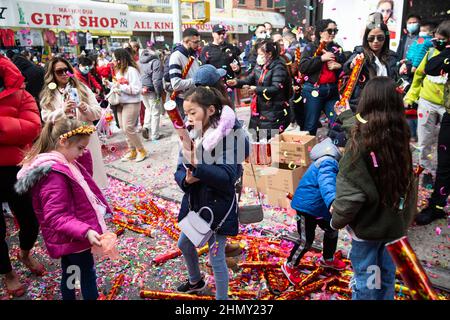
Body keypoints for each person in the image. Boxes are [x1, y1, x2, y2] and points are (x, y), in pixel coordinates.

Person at [331, 77, 416, 300]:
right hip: (393, 229)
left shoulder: (359, 147)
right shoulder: (400, 138)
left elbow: (351, 195)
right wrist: (345, 115)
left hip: (367, 230)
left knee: (368, 281)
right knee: (385, 277)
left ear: (367, 103)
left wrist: (336, 219)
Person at [15, 118, 111, 300]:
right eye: (81, 148)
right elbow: (55, 216)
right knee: (86, 276)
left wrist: (82, 150)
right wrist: (86, 231)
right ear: (63, 141)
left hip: (70, 238)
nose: (82, 153)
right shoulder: (54, 175)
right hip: (75, 237)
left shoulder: (65, 161)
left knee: (71, 272)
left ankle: (69, 296)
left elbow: (85, 174)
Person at [174, 87, 247, 300]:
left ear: (211, 110)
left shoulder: (230, 137)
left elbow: (228, 177)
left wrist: (199, 168)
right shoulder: (192, 133)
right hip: (196, 203)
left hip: (218, 208)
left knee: (216, 258)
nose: (189, 118)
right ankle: (196, 281)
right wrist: (186, 179)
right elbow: (179, 169)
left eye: (193, 112)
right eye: (186, 113)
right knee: (184, 244)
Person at [0, 54, 44, 298]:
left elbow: (32, 127)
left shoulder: (21, 94)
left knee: (29, 220)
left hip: (17, 169)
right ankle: (7, 273)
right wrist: (10, 127)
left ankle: (25, 252)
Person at [281, 137, 346, 285]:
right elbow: (327, 182)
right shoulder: (328, 161)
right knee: (306, 240)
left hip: (319, 207)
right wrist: (333, 200)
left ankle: (328, 259)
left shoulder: (332, 160)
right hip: (307, 207)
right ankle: (289, 265)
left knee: (332, 229)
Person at [39, 57, 108, 188]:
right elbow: (46, 118)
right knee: (71, 178)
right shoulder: (48, 94)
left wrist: (85, 108)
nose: (65, 74)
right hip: (64, 142)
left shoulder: (81, 88)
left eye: (67, 70)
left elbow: (98, 112)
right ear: (52, 74)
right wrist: (62, 111)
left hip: (87, 138)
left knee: (92, 176)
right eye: (59, 71)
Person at [414, 20, 450, 225]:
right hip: (444, 112)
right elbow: (431, 68)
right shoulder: (440, 55)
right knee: (444, 163)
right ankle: (437, 205)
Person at [404, 22, 447, 188]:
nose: (437, 42)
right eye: (436, 38)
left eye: (442, 40)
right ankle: (427, 171)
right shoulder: (429, 53)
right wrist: (411, 96)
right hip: (426, 103)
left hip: (446, 107)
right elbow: (418, 77)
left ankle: (444, 175)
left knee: (444, 142)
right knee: (424, 141)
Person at [227, 40, 291, 141]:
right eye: (258, 54)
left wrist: (256, 89)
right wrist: (237, 83)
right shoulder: (259, 65)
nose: (258, 57)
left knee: (270, 140)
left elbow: (276, 88)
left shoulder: (279, 67)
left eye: (261, 54)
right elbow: (250, 79)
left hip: (273, 110)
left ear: (269, 54)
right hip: (259, 109)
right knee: (257, 139)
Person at [299, 19, 346, 135]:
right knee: (311, 126)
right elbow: (303, 67)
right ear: (320, 32)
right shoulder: (310, 47)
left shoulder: (337, 48)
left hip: (332, 91)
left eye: (336, 30)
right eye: (330, 30)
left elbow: (346, 67)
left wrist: (339, 66)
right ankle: (307, 151)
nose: (333, 33)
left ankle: (334, 149)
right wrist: (320, 59)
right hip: (313, 91)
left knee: (337, 122)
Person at [343, 15, 399, 111]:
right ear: (366, 38)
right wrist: (352, 64)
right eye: (371, 38)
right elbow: (347, 67)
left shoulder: (392, 56)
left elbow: (395, 79)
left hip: (386, 103)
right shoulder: (360, 52)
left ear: (386, 38)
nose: (375, 41)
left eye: (380, 38)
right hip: (364, 104)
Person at [104, 48, 147, 162]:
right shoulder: (119, 72)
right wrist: (110, 85)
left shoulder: (132, 71)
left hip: (132, 103)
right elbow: (118, 87)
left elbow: (136, 89)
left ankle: (141, 150)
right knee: (123, 128)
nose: (112, 61)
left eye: (114, 58)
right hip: (120, 103)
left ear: (120, 59)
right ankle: (132, 150)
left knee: (128, 127)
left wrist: (120, 87)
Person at [199, 24, 241, 106]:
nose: (222, 35)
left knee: (230, 112)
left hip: (229, 87)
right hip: (213, 89)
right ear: (213, 34)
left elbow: (238, 67)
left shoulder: (231, 47)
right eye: (219, 33)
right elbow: (203, 70)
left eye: (223, 33)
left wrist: (237, 69)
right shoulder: (206, 49)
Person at [169, 28, 201, 118]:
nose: (198, 45)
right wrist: (197, 80)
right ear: (187, 41)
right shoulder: (176, 56)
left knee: (198, 128)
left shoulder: (193, 54)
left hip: (196, 98)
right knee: (189, 129)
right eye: (195, 42)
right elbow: (176, 84)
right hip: (184, 102)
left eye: (199, 42)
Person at [140, 48, 163, 141]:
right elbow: (156, 80)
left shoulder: (140, 61)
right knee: (156, 112)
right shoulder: (155, 62)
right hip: (151, 89)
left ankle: (146, 127)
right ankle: (155, 135)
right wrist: (159, 93)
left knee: (148, 109)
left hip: (142, 89)